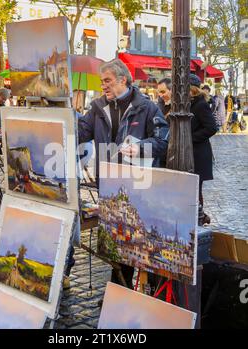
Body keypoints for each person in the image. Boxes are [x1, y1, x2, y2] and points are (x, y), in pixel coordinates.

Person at [78, 59, 169, 289]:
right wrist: (64, 119)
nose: (103, 86)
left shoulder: (147, 108)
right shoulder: (98, 108)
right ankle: (120, 290)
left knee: (140, 242)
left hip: (138, 186)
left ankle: (144, 291)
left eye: (107, 81)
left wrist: (139, 147)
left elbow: (163, 142)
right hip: (108, 186)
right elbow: (80, 133)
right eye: (102, 82)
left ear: (123, 80)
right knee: (117, 243)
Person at [189, 74, 218, 226]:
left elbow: (212, 128)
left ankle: (200, 218)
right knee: (191, 187)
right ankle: (200, 216)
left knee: (195, 187)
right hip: (191, 152)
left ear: (191, 89)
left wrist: (190, 137)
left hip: (199, 154)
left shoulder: (200, 104)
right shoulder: (190, 103)